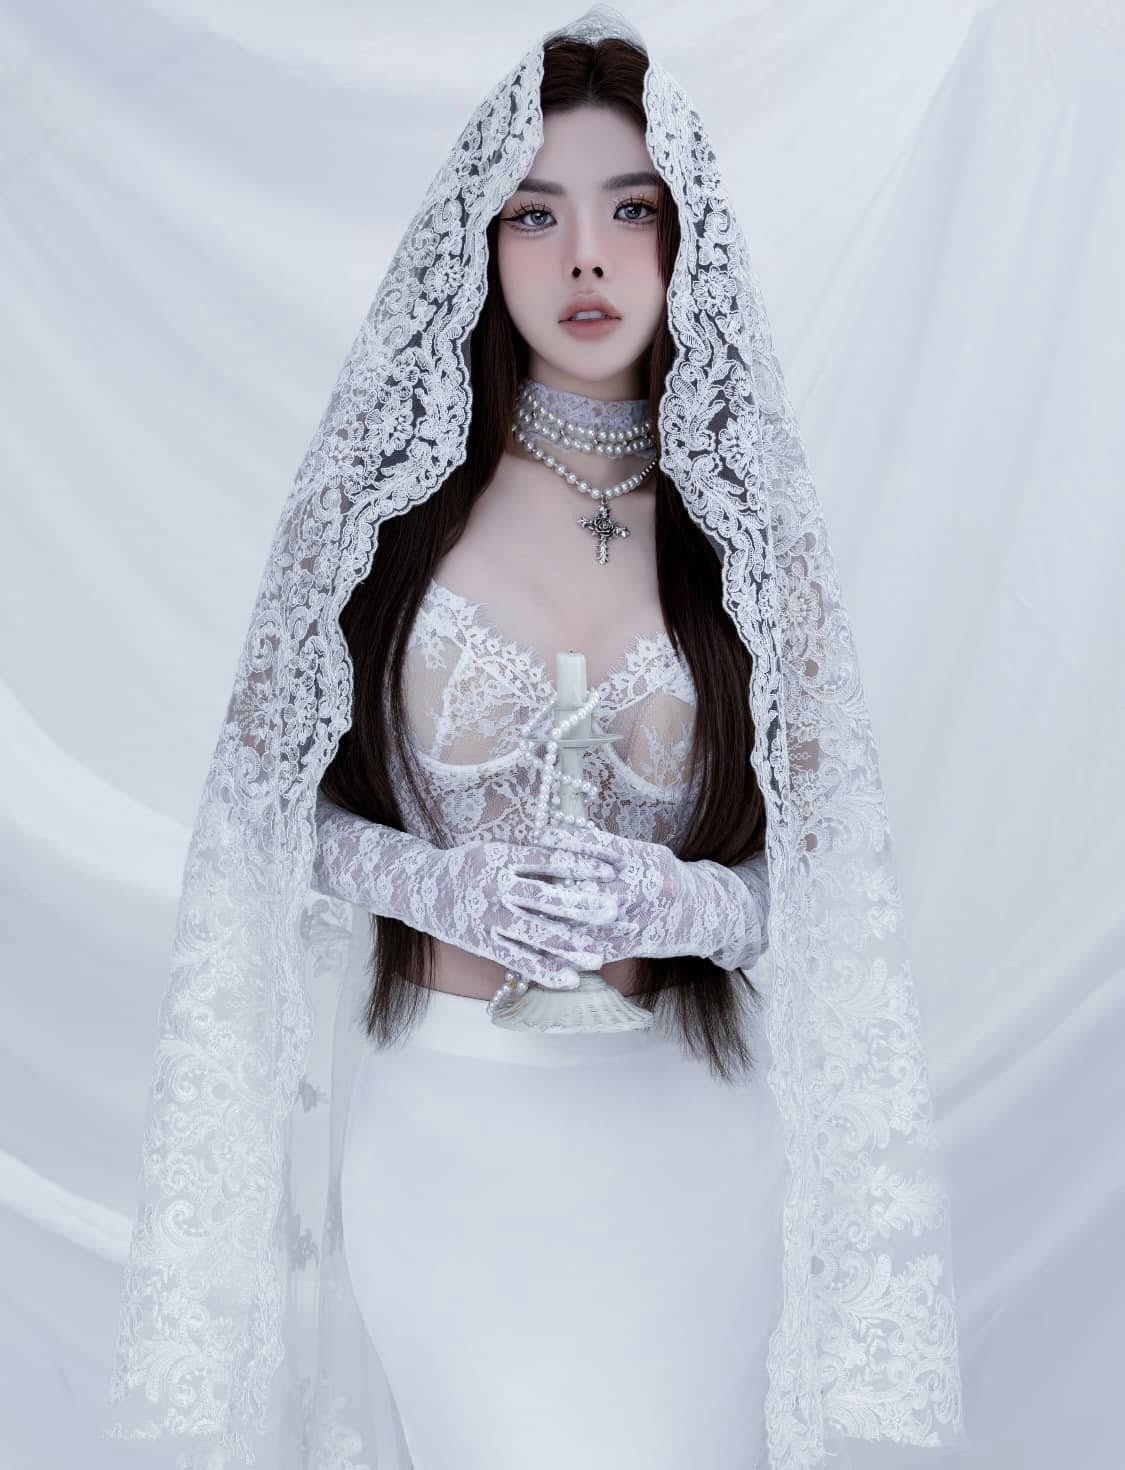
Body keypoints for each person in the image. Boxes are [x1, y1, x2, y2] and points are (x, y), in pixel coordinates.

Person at [102, 8, 966, 1469]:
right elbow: (257, 807)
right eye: (535, 214)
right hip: (450, 1140)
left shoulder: (743, 539)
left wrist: (690, 903)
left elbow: (837, 870)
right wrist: (426, 882)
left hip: (692, 1135)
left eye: (630, 210)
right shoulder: (386, 514)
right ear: (482, 242)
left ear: (681, 237)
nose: (584, 259)